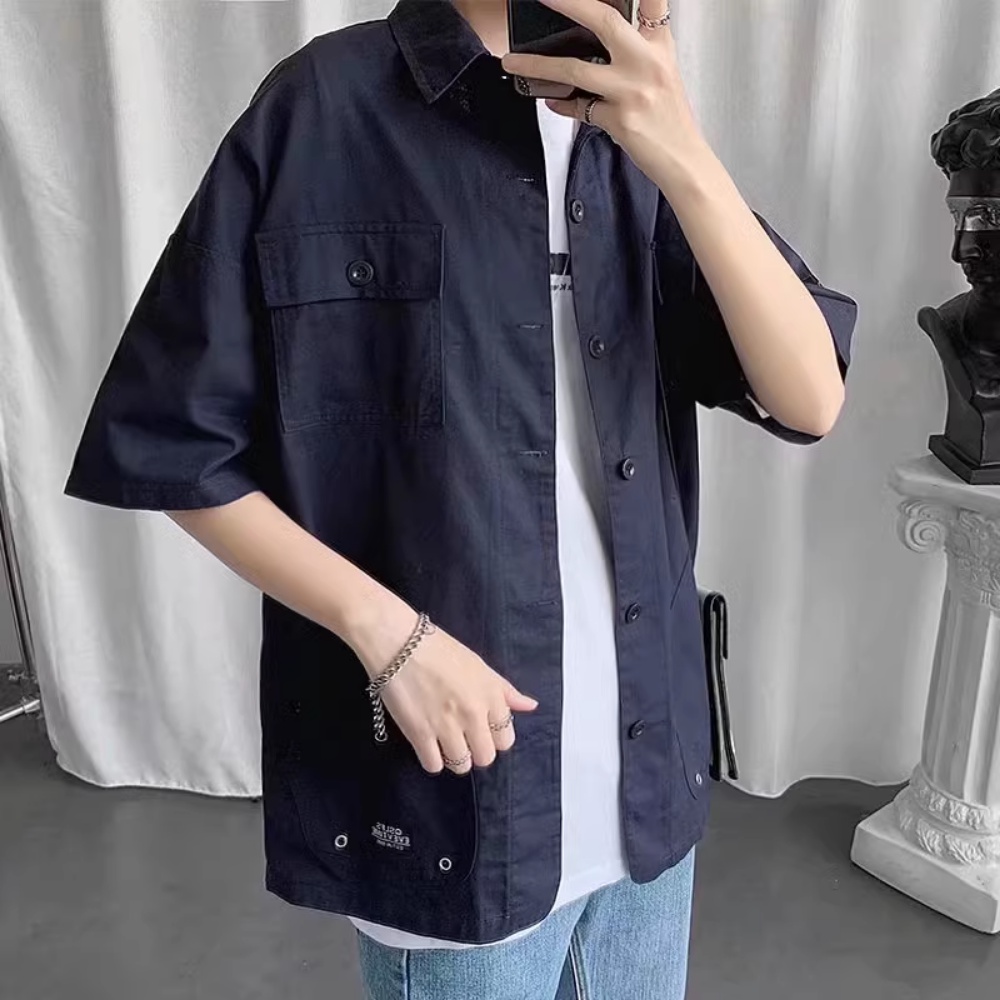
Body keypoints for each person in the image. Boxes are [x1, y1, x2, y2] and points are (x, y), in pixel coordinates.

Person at [64, 0, 858, 996]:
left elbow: (809, 397)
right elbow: (172, 440)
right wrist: (387, 633)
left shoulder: (637, 129)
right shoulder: (326, 107)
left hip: (649, 791)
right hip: (454, 801)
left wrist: (684, 155)